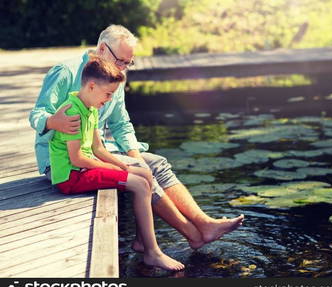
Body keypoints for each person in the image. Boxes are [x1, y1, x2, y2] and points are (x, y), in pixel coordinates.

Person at [29, 24, 244, 253]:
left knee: (155, 163)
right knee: (141, 175)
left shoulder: (114, 77)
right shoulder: (66, 71)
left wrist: (134, 155)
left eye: (128, 63)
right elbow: (37, 113)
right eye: (120, 61)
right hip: (60, 159)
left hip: (94, 150)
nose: (123, 68)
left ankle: (203, 223)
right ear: (102, 49)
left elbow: (120, 124)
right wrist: (53, 121)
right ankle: (191, 233)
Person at [50, 56, 184, 271]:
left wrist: (124, 166)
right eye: (108, 94)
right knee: (139, 184)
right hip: (71, 177)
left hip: (84, 168)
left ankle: (142, 241)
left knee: (145, 173)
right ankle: (153, 253)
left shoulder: (90, 108)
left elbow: (98, 149)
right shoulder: (73, 112)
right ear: (92, 86)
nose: (110, 99)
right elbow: (77, 158)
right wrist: (114, 169)